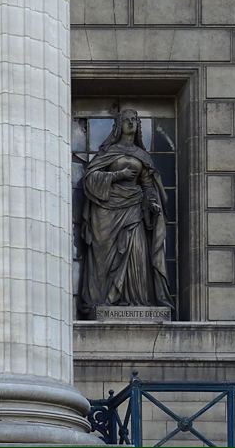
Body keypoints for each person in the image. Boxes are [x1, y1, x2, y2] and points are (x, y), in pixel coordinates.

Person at [79, 109, 173, 316]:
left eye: (134, 120)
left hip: (134, 208)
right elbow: (90, 177)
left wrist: (151, 202)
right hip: (107, 210)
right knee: (104, 257)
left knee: (137, 252)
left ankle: (136, 300)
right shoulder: (109, 152)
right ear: (119, 125)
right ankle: (104, 301)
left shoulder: (142, 156)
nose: (131, 123)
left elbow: (148, 185)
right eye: (127, 120)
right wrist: (117, 175)